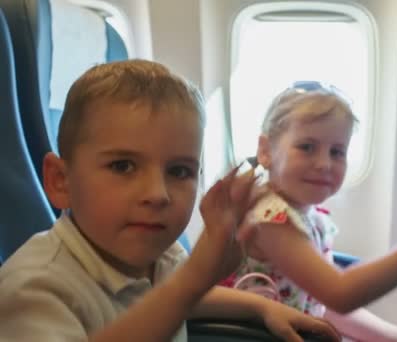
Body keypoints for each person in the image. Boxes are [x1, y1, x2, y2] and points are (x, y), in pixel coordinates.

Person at [0, 61, 341, 342]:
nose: (157, 194)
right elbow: (178, 294)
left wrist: (261, 308)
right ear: (61, 182)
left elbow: (184, 298)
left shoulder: (160, 256)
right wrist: (193, 278)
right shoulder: (36, 290)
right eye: (123, 166)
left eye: (179, 171)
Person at [220, 81, 397, 342]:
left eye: (337, 152)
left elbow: (326, 306)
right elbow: (340, 294)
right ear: (266, 151)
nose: (325, 163)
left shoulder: (309, 218)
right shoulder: (270, 220)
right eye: (307, 147)